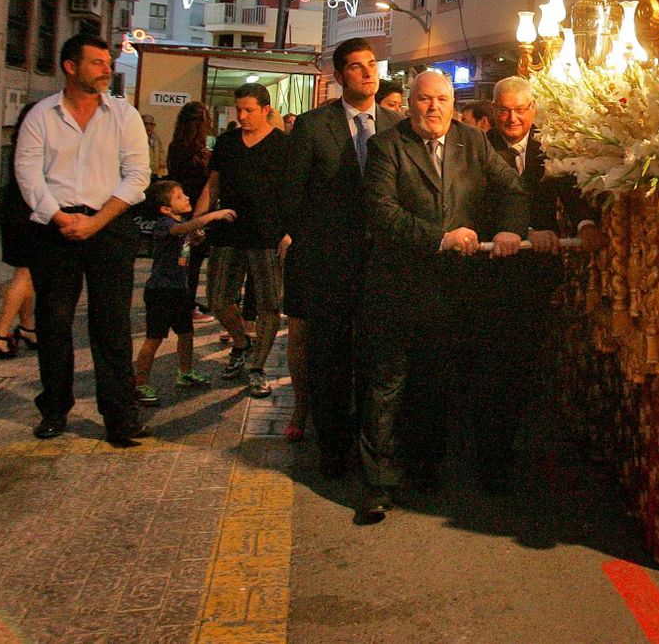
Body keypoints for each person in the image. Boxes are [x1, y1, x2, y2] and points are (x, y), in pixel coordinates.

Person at [357, 70, 526, 523]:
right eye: (425, 100)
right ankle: (378, 486)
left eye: (443, 100)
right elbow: (381, 212)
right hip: (397, 287)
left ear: (455, 104)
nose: (434, 108)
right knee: (388, 387)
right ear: (410, 104)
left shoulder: (472, 142)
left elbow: (512, 188)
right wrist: (440, 237)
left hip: (452, 292)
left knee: (433, 384)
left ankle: (425, 470)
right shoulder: (386, 146)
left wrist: (511, 227)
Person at [14, 35, 151, 445]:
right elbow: (28, 172)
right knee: (53, 322)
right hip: (54, 228)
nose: (106, 69)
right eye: (96, 62)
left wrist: (97, 221)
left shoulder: (124, 116)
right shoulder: (41, 115)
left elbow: (138, 176)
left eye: (107, 62)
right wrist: (58, 216)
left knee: (111, 324)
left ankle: (119, 417)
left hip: (108, 226)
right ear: (70, 66)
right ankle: (55, 408)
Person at [282, 38, 401, 469]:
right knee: (329, 359)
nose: (368, 73)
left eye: (372, 65)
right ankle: (332, 448)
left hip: (381, 264)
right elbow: (292, 198)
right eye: (356, 67)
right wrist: (312, 249)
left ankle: (374, 445)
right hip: (329, 265)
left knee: (375, 360)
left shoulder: (394, 124)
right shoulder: (315, 126)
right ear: (339, 76)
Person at [478, 76, 602, 490]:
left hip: (540, 274)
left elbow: (573, 192)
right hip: (493, 275)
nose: (512, 118)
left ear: (534, 109)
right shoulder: (478, 147)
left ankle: (533, 453)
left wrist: (585, 224)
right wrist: (528, 228)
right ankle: (492, 460)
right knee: (495, 366)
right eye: (505, 110)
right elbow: (477, 203)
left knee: (534, 362)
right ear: (494, 111)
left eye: (521, 109)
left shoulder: (552, 146)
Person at [196, 83, 290, 398]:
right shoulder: (227, 143)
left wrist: (290, 231)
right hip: (228, 231)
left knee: (269, 304)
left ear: (266, 109)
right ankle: (240, 341)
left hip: (266, 235)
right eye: (240, 109)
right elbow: (212, 185)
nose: (243, 115)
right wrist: (199, 219)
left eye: (249, 109)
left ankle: (257, 367)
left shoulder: (282, 145)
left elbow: (293, 193)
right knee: (218, 298)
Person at [134, 179, 234, 406]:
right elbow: (179, 230)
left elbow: (185, 237)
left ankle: (185, 371)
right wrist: (210, 216)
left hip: (179, 289)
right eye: (179, 197)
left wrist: (195, 239)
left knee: (186, 333)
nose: (187, 197)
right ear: (165, 209)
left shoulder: (181, 224)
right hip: (161, 291)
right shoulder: (164, 223)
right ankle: (140, 383)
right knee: (154, 338)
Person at [0, 98, 46, 359]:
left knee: (27, 273)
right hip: (25, 215)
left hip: (14, 213)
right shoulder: (35, 146)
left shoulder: (19, 142)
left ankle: (27, 328)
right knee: (27, 273)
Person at [166, 102, 214, 314]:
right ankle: (185, 304)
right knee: (190, 261)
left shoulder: (175, 147)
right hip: (195, 212)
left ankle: (186, 301)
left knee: (185, 260)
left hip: (180, 211)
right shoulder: (198, 153)